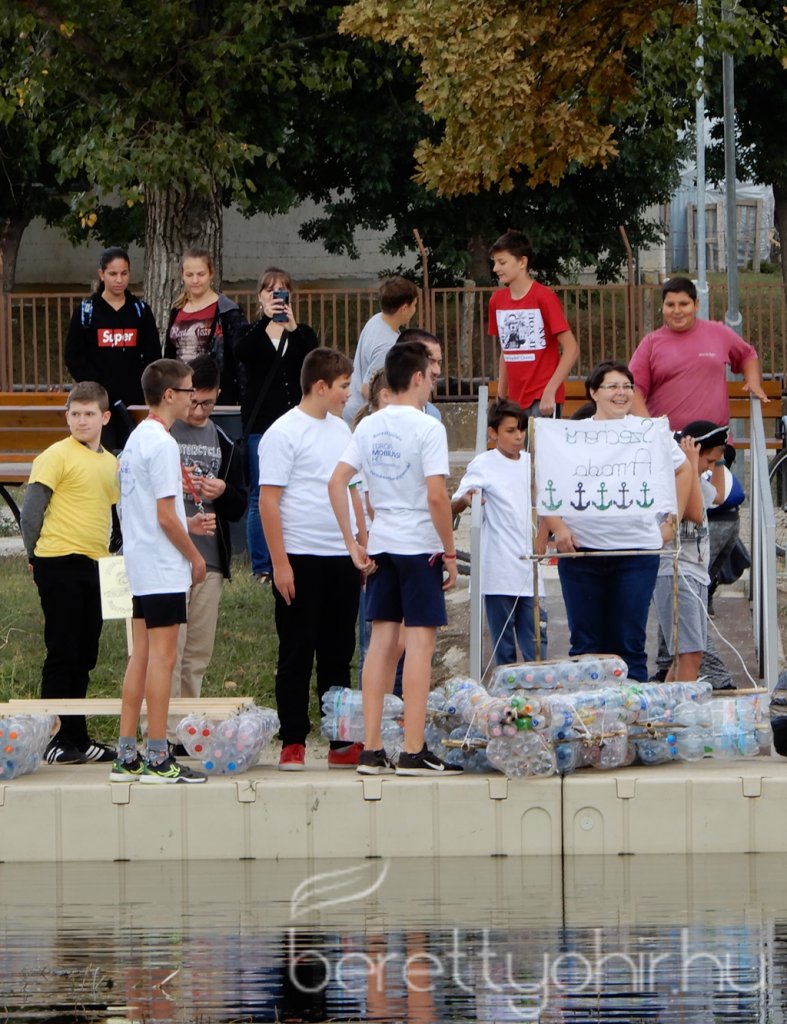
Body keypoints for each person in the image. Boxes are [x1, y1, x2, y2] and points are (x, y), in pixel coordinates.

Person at [328, 341, 463, 776]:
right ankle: (412, 748)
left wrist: (352, 541)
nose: (433, 384)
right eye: (432, 376)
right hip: (420, 542)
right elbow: (438, 496)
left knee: (381, 647)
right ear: (418, 377)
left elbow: (338, 482)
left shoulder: (367, 424)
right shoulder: (428, 427)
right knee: (420, 646)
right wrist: (449, 552)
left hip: (383, 541)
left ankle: (370, 748)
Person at [539, 362, 693, 682]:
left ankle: (631, 717)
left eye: (627, 386)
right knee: (585, 644)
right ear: (594, 392)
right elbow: (543, 483)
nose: (621, 393)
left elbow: (683, 471)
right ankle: (589, 719)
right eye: (612, 386)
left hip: (637, 554)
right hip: (582, 552)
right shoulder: (571, 434)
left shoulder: (650, 433)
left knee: (630, 643)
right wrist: (559, 528)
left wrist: (671, 521)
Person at [259, 347, 365, 771]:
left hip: (341, 556)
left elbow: (352, 489)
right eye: (343, 386)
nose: (348, 393)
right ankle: (293, 739)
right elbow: (269, 502)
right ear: (321, 387)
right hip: (300, 556)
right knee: (297, 650)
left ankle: (341, 740)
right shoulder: (283, 432)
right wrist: (280, 563)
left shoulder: (342, 430)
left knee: (339, 651)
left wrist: (360, 541)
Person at [111, 359, 216, 784]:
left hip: (140, 559)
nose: (196, 397)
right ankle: (157, 755)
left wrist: (182, 525)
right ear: (169, 395)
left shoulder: (137, 438)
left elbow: (155, 513)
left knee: (141, 656)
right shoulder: (164, 444)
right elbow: (166, 517)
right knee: (163, 658)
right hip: (162, 565)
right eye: (190, 390)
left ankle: (126, 754)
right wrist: (194, 556)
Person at [20, 381, 120, 765]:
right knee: (61, 650)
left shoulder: (110, 463)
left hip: (95, 565)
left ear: (104, 417)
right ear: (67, 417)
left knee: (85, 654)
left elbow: (112, 513)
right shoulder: (54, 456)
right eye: (75, 414)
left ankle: (78, 737)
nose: (81, 420)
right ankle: (54, 737)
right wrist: (35, 556)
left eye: (89, 414)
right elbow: (31, 512)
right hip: (58, 561)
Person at [166, 356, 248, 750]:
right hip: (170, 556)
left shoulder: (225, 442)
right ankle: (162, 730)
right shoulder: (162, 432)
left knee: (197, 650)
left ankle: (185, 727)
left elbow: (240, 505)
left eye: (208, 404)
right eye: (193, 402)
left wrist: (224, 493)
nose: (199, 411)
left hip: (210, 558)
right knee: (170, 647)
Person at [235, 266, 318, 584]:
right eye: (270, 290)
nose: (276, 295)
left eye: (282, 290)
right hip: (261, 425)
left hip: (296, 423)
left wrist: (292, 326)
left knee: (294, 490)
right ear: (260, 297)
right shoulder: (251, 332)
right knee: (260, 493)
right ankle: (262, 565)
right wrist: (267, 321)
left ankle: (293, 554)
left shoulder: (301, 333)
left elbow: (313, 359)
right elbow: (242, 353)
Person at [451, 399, 547, 666]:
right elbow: (455, 503)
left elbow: (548, 503)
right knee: (503, 645)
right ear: (492, 433)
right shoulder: (483, 464)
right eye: (510, 430)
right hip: (498, 569)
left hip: (530, 568)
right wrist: (467, 499)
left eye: (521, 429)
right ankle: (508, 702)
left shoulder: (532, 462)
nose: (518, 436)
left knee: (537, 643)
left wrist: (542, 538)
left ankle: (538, 696)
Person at [629, 276, 770, 430]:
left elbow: (747, 355)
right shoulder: (650, 343)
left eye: (683, 304)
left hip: (714, 445)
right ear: (663, 307)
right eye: (670, 305)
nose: (677, 311)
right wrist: (649, 429)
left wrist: (753, 381)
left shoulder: (718, 332)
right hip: (668, 445)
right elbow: (633, 388)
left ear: (696, 305)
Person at [653, 421, 730, 683]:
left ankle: (672, 711)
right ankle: (681, 712)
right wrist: (689, 464)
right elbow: (695, 514)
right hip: (676, 570)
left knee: (689, 653)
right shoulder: (674, 479)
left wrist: (717, 461)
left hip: (694, 573)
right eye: (708, 460)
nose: (709, 467)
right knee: (689, 653)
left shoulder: (695, 479)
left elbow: (718, 496)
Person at [64, 247, 161, 452]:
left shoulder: (140, 311)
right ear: (102, 274)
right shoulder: (86, 311)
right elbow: (73, 356)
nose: (119, 280)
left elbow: (153, 356)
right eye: (113, 274)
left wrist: (141, 385)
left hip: (133, 403)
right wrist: (97, 384)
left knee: (132, 456)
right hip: (98, 402)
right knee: (101, 456)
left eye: (124, 273)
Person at [488, 229, 578, 418]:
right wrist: (500, 396)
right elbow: (506, 351)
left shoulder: (544, 297)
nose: (496, 268)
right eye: (494, 262)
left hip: (542, 398)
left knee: (539, 448)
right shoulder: (497, 301)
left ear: (522, 262)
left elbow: (571, 348)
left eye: (502, 262)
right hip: (514, 400)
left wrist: (550, 391)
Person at [164, 248, 246, 402]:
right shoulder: (177, 310)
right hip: (181, 395)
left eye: (201, 274)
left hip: (215, 395)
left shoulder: (227, 311)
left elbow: (240, 362)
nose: (195, 280)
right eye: (189, 275)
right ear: (182, 275)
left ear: (211, 274)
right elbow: (169, 356)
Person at [343, 276, 419, 425]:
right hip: (363, 415)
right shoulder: (387, 346)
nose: (415, 310)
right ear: (404, 308)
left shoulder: (377, 320)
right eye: (414, 305)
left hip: (354, 407)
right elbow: (368, 389)